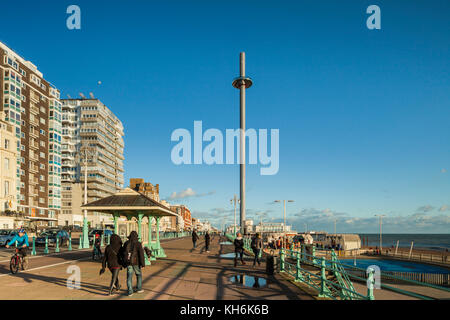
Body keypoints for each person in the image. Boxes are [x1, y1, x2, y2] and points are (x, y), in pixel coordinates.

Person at [122, 231, 146, 296]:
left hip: (128, 262)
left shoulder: (126, 243)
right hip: (136, 263)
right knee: (138, 275)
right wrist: (143, 263)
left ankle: (130, 291)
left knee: (129, 276)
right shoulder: (138, 244)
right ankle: (139, 288)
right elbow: (141, 254)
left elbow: (123, 253)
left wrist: (123, 262)